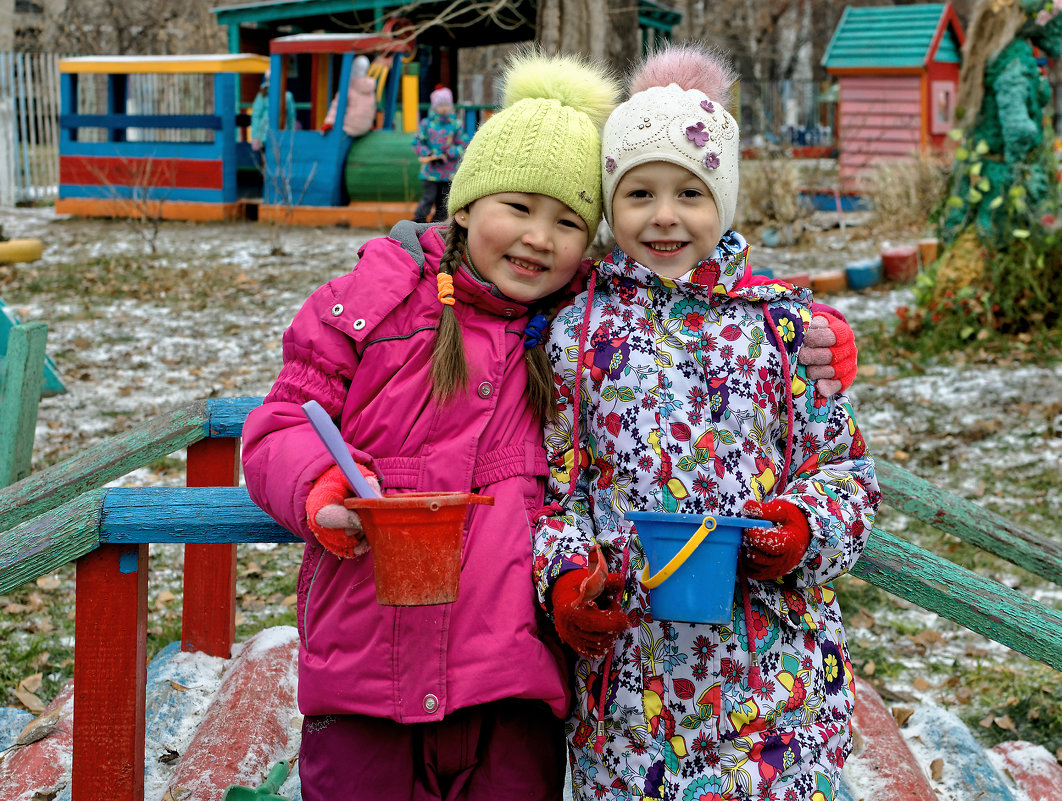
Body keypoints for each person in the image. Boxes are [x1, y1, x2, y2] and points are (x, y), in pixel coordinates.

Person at [241, 50, 622, 801]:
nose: (539, 237)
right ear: (466, 203)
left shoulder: (586, 336)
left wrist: (809, 335)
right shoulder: (375, 302)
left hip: (510, 691)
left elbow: (708, 331)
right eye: (518, 206)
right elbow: (281, 423)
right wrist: (320, 487)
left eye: (568, 221)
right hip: (364, 682)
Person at [531, 44, 880, 801]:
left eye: (689, 192)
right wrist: (565, 578)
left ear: (722, 200)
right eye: (638, 193)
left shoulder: (785, 329)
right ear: (610, 204)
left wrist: (803, 526)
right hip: (630, 699)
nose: (663, 216)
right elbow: (551, 485)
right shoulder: (576, 332)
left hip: (775, 688)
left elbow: (847, 472)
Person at [412, 84, 467, 223]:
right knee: (428, 198)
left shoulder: (456, 125)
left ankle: (438, 226)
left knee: (444, 202)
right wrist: (428, 153)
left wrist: (449, 153)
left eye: (446, 105)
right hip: (430, 171)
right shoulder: (427, 124)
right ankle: (418, 222)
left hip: (448, 171)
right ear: (434, 106)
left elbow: (463, 144)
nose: (443, 108)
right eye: (440, 105)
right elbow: (417, 142)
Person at [321, 54, 377, 138]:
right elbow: (372, 108)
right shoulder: (371, 88)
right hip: (365, 127)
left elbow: (337, 106)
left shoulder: (349, 87)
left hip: (349, 128)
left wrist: (329, 122)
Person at [250, 70, 296, 155]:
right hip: (264, 136)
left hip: (282, 134)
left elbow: (291, 118)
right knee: (266, 160)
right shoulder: (262, 95)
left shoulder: (287, 96)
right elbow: (256, 116)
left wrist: (291, 135)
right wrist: (256, 137)